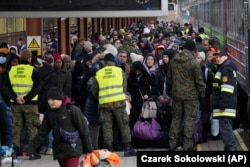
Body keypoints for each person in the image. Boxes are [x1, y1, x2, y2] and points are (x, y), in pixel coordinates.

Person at [24, 87, 93, 166]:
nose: (50, 102)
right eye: (49, 99)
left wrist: (90, 149)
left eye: (53, 99)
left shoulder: (73, 110)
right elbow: (41, 133)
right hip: (59, 149)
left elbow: (84, 130)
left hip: (73, 149)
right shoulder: (49, 113)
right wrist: (30, 148)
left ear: (60, 99)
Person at [92, 53, 136, 157]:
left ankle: (109, 149)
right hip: (118, 102)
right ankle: (128, 149)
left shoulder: (99, 73)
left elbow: (94, 91)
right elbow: (124, 87)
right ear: (114, 61)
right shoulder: (119, 71)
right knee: (123, 124)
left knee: (107, 126)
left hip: (104, 103)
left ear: (104, 62)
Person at [2, 49, 41, 157]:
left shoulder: (12, 71)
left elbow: (6, 88)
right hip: (30, 103)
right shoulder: (33, 70)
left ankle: (14, 152)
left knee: (16, 127)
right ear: (29, 58)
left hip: (15, 104)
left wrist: (15, 98)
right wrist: (27, 98)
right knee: (31, 127)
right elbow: (38, 86)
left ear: (20, 59)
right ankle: (32, 152)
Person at [167, 40, 206, 151]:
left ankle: (172, 144)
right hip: (191, 97)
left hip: (176, 96)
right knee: (189, 120)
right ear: (193, 50)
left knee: (175, 119)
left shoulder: (174, 60)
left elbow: (169, 78)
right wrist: (202, 95)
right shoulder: (193, 63)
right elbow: (199, 82)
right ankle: (187, 145)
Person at [212, 50, 237, 151]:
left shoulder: (226, 69)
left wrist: (222, 104)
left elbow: (227, 88)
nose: (218, 58)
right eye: (217, 57)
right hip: (226, 104)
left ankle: (231, 149)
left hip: (225, 106)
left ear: (226, 57)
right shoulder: (224, 67)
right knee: (226, 129)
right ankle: (229, 148)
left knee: (225, 129)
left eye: (220, 56)